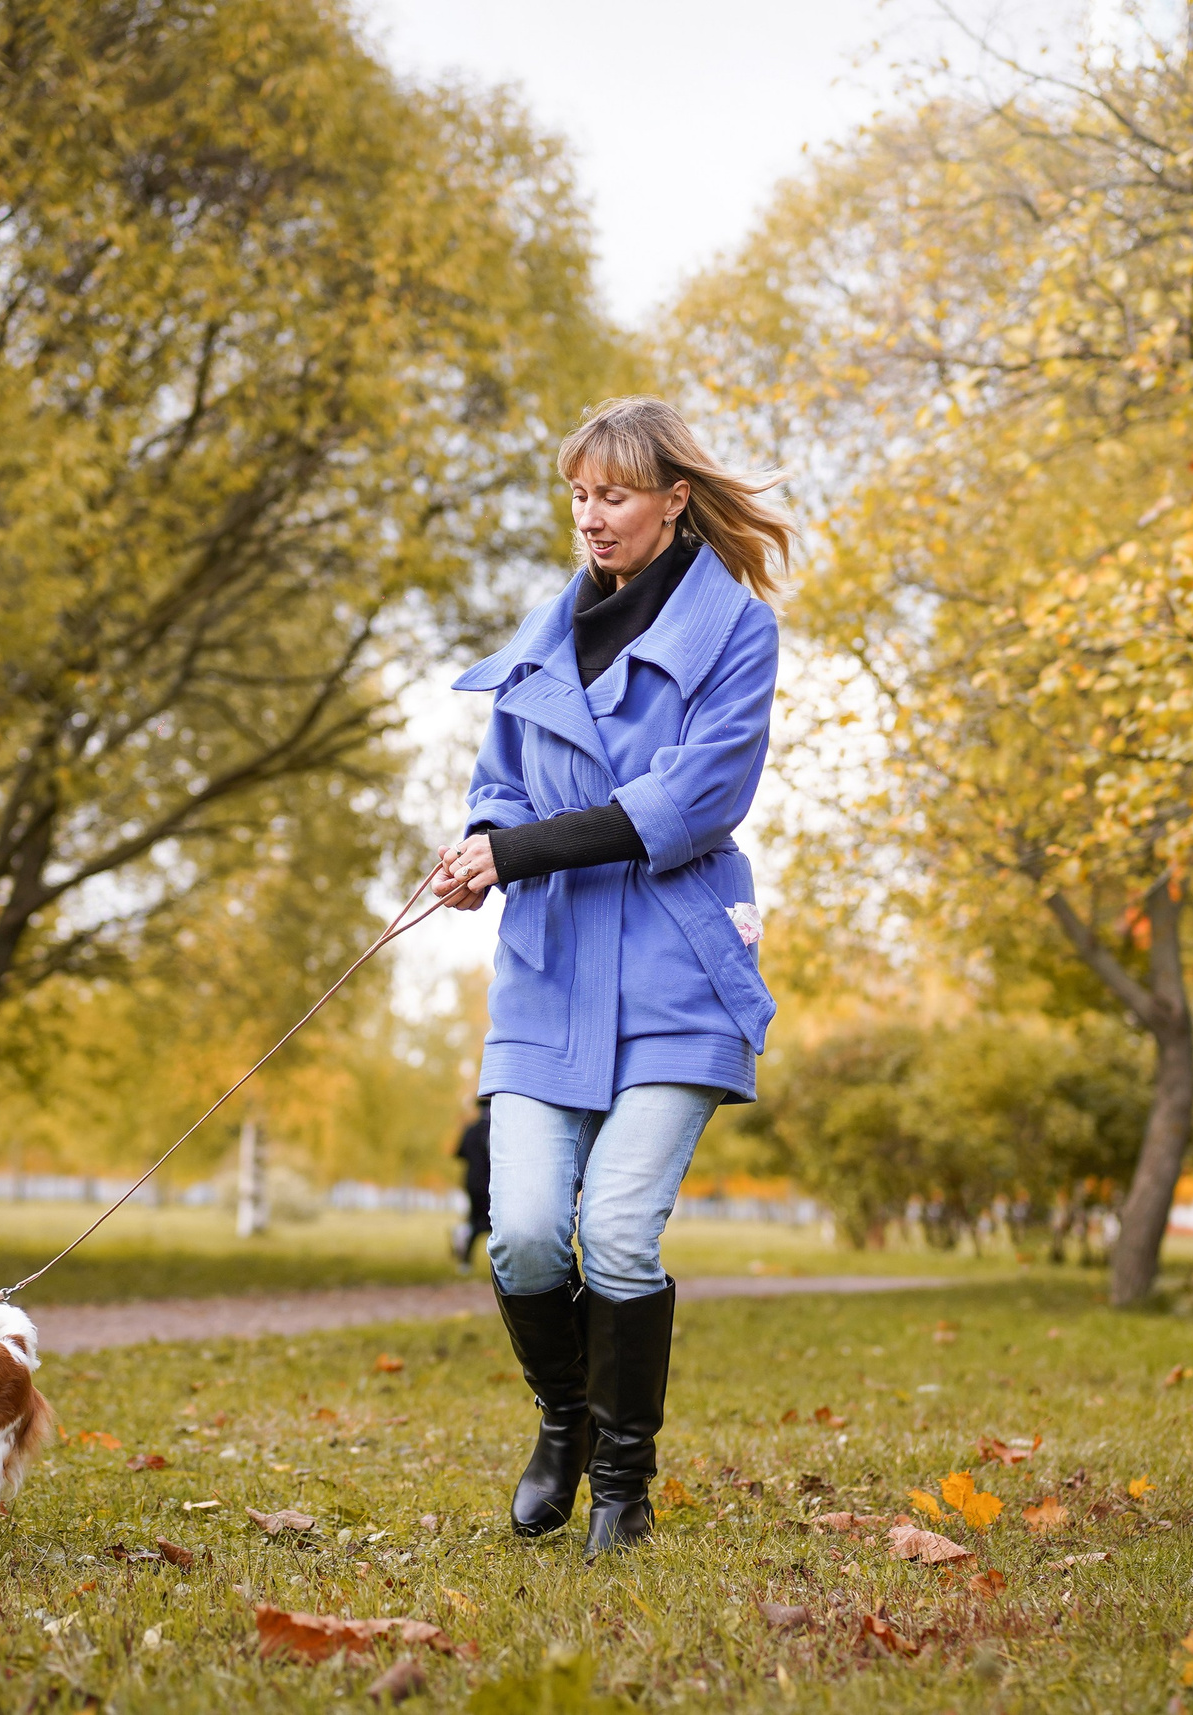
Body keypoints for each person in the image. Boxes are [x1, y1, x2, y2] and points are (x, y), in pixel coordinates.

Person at [430, 396, 792, 1559]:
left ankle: (623, 1485)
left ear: (675, 499)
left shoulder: (735, 631)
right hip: (548, 975)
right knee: (527, 1234)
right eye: (579, 495)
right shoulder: (541, 635)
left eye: (616, 495)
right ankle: (563, 1421)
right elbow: (500, 783)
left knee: (619, 1231)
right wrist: (480, 849)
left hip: (678, 971)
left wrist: (518, 849)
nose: (592, 517)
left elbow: (694, 802)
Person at [451, 1096, 492, 1270]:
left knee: (476, 1219)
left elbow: (458, 1153)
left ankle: (464, 1246)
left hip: (471, 1181)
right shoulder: (494, 1130)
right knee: (490, 1222)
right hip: (490, 1183)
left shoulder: (470, 1130)